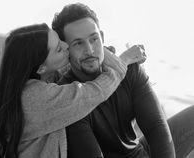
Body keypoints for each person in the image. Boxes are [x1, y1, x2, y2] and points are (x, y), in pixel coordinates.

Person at [52, 3, 194, 158]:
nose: (90, 50)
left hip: (140, 152)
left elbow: (156, 127)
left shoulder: (129, 70)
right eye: (78, 43)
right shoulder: (66, 97)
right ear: (66, 49)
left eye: (94, 39)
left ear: (102, 37)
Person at [0, 23, 146, 158]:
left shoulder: (21, 86)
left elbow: (69, 67)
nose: (66, 45)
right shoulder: (36, 99)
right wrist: (124, 60)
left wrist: (100, 51)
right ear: (41, 67)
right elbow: (94, 91)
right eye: (59, 49)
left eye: (60, 40)